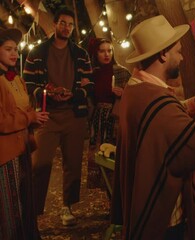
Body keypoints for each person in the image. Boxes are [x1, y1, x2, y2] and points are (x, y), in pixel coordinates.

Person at [111, 15, 195, 240]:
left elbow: (157, 121)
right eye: (178, 51)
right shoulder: (156, 100)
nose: (182, 58)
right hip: (162, 217)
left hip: (140, 200)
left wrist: (191, 104)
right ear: (163, 54)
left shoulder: (135, 89)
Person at [23, 8, 93, 226]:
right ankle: (33, 211)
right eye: (63, 23)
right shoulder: (38, 52)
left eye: (70, 25)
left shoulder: (80, 54)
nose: (67, 28)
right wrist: (46, 93)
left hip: (74, 114)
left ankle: (67, 206)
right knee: (40, 163)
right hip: (48, 115)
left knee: (73, 164)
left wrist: (76, 93)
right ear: (55, 24)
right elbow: (29, 82)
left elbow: (88, 82)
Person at [0, 27, 49, 239]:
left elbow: (26, 109)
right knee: (10, 209)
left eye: (16, 49)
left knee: (24, 204)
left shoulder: (17, 79)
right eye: (8, 49)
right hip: (6, 155)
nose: (14, 53)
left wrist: (34, 118)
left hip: (23, 150)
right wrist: (28, 118)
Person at [86, 38, 130, 189]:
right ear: (96, 54)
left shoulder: (122, 72)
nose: (106, 54)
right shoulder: (92, 73)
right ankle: (106, 192)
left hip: (115, 118)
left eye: (109, 50)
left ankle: (116, 198)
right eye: (102, 51)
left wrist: (123, 93)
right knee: (100, 156)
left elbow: (134, 96)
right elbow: (90, 99)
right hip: (98, 119)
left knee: (114, 157)